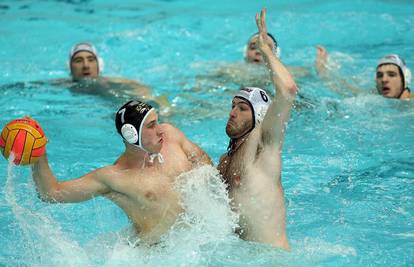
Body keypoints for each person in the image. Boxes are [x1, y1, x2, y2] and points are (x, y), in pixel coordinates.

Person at [31, 99, 211, 245]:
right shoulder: (115, 178)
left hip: (204, 236)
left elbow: (205, 163)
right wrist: (39, 154)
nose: (160, 130)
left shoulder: (171, 135)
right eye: (151, 126)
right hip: (162, 253)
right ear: (132, 134)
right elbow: (51, 193)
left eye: (158, 122)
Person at [217, 8, 297, 250]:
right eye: (232, 106)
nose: (232, 112)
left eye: (242, 108)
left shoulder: (264, 142)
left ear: (259, 116)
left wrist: (266, 51)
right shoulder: (225, 160)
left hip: (274, 260)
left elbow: (288, 90)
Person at [315, 46, 413, 99]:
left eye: (392, 75)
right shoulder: (374, 97)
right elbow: (343, 88)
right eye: (380, 75)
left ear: (405, 79)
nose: (384, 79)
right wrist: (322, 68)